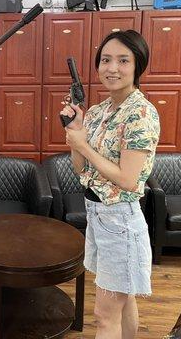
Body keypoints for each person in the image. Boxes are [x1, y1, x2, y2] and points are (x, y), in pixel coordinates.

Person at [60, 29, 160, 339]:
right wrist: (76, 133)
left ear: (137, 66)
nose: (112, 68)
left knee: (104, 316)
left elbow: (129, 180)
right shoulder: (98, 112)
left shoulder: (140, 113)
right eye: (105, 60)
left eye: (122, 60)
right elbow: (82, 170)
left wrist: (84, 145)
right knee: (123, 298)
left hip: (120, 219)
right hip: (97, 215)